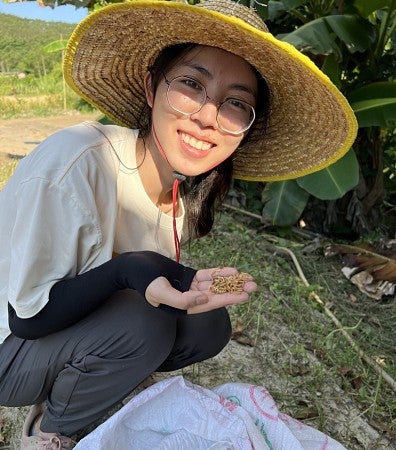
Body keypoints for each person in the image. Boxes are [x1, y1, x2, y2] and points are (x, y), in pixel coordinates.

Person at [0, 0, 357, 449]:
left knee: (209, 325)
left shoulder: (178, 199)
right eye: (191, 84)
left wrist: (188, 283)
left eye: (235, 104)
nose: (209, 116)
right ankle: (50, 429)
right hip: (9, 345)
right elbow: (28, 318)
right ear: (151, 87)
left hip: (64, 334)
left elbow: (148, 285)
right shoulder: (75, 162)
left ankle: (95, 380)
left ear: (245, 127)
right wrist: (133, 268)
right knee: (140, 324)